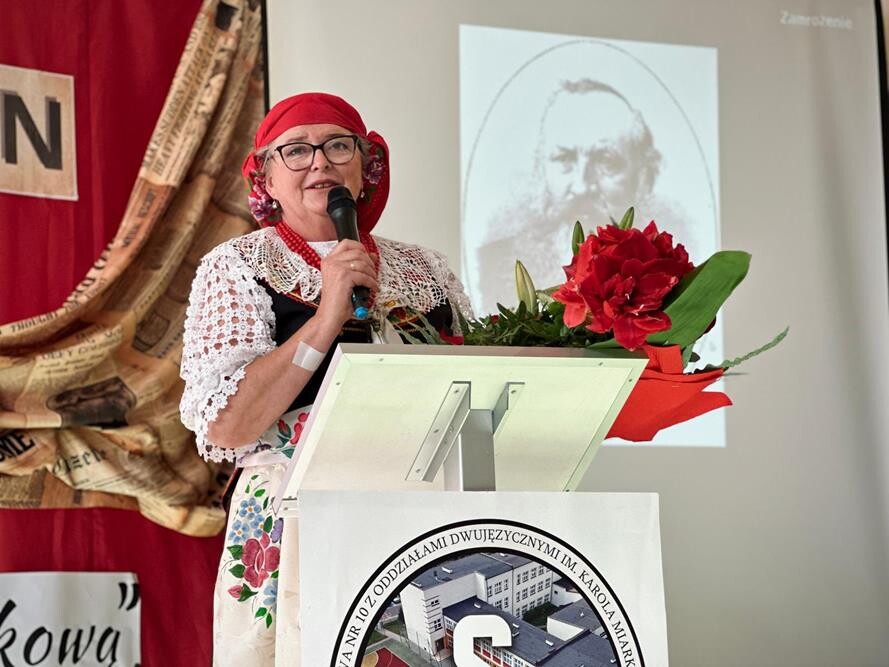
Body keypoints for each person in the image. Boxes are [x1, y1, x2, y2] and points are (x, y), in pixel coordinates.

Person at [179, 92, 472, 665]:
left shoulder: (427, 270)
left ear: (366, 168)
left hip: (421, 514)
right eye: (295, 150)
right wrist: (326, 316)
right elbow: (229, 425)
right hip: (295, 522)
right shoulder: (237, 265)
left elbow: (470, 387)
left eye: (338, 146)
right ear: (266, 177)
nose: (319, 162)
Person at [472, 78, 693, 314]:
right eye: (564, 159)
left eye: (606, 161)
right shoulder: (494, 262)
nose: (581, 186)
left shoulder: (664, 271)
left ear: (644, 174)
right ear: (540, 168)